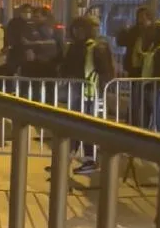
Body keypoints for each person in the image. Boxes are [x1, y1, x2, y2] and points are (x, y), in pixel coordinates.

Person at [47, 16, 113, 175]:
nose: (78, 32)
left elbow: (106, 73)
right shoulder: (73, 47)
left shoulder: (97, 47)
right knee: (72, 125)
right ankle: (68, 157)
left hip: (89, 94)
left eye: (81, 29)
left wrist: (100, 90)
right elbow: (65, 66)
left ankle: (90, 160)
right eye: (75, 29)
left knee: (87, 127)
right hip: (74, 92)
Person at [116, 6, 154, 127]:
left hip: (146, 69)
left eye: (142, 17)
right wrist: (123, 30)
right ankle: (132, 120)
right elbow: (121, 41)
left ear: (148, 18)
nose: (140, 20)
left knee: (144, 98)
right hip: (134, 69)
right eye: (138, 17)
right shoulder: (134, 30)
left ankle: (142, 121)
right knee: (134, 96)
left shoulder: (152, 32)